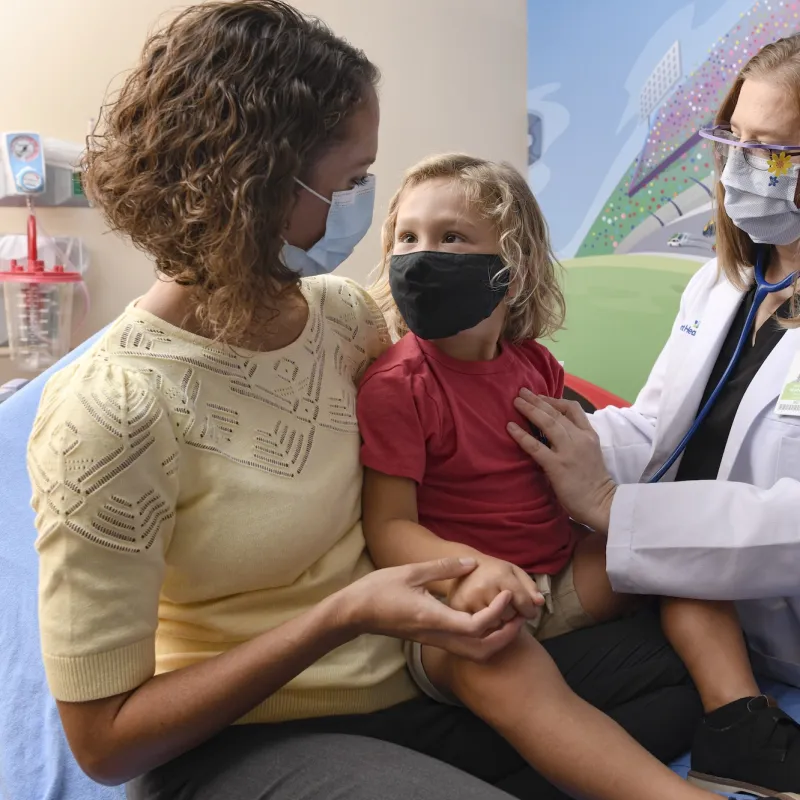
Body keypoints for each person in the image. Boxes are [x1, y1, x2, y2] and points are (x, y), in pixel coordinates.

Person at [26, 3, 703, 800]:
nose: (364, 211)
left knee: (677, 678)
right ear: (260, 185)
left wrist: (581, 461)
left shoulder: (341, 317)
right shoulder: (113, 410)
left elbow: (457, 397)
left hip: (410, 674)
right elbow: (104, 743)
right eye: (350, 182)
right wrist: (340, 615)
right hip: (250, 734)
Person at [358, 153, 773, 800]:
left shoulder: (533, 368)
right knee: (500, 663)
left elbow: (564, 484)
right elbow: (388, 532)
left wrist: (605, 510)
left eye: (451, 237)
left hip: (554, 579)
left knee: (674, 550)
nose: (421, 255)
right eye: (406, 238)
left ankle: (740, 724)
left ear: (513, 266)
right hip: (457, 605)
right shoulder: (398, 387)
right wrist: (474, 571)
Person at [507, 34, 800, 800]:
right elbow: (657, 428)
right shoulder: (721, 283)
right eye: (733, 138)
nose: (738, 167)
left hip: (770, 618)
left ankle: (739, 723)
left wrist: (615, 509)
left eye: (770, 151)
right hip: (686, 592)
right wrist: (558, 436)